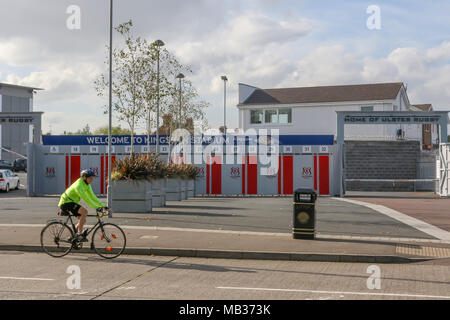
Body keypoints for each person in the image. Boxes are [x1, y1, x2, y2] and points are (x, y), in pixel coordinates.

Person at [58, 169, 107, 241]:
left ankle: (74, 237)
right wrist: (96, 207)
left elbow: (92, 196)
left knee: (82, 219)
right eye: (90, 178)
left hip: (72, 202)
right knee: (85, 212)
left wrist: (102, 205)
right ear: (84, 177)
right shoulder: (79, 185)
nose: (91, 180)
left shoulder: (87, 184)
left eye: (92, 178)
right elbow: (86, 199)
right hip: (66, 202)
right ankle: (79, 234)